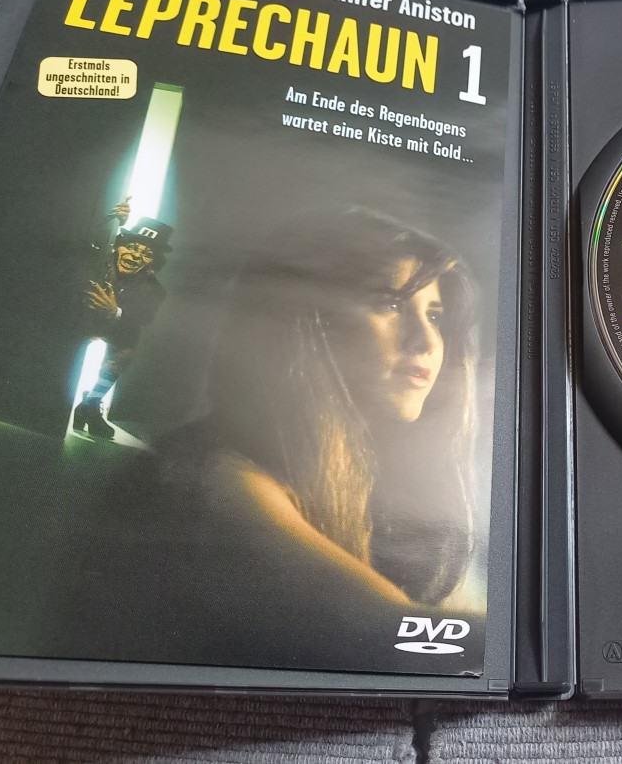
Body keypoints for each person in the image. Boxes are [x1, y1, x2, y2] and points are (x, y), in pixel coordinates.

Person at [170, 206, 480, 608]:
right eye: (389, 304)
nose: (426, 341)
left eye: (435, 316)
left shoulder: (381, 483)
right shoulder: (228, 478)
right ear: (310, 324)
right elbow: (396, 628)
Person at [74, 199, 173, 439]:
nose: (135, 255)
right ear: (118, 246)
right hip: (78, 318)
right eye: (131, 246)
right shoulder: (103, 259)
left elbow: (144, 319)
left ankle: (91, 403)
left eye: (146, 253)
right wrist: (112, 220)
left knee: (128, 345)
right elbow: (86, 242)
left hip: (113, 325)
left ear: (152, 265)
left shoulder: (155, 290)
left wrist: (115, 312)